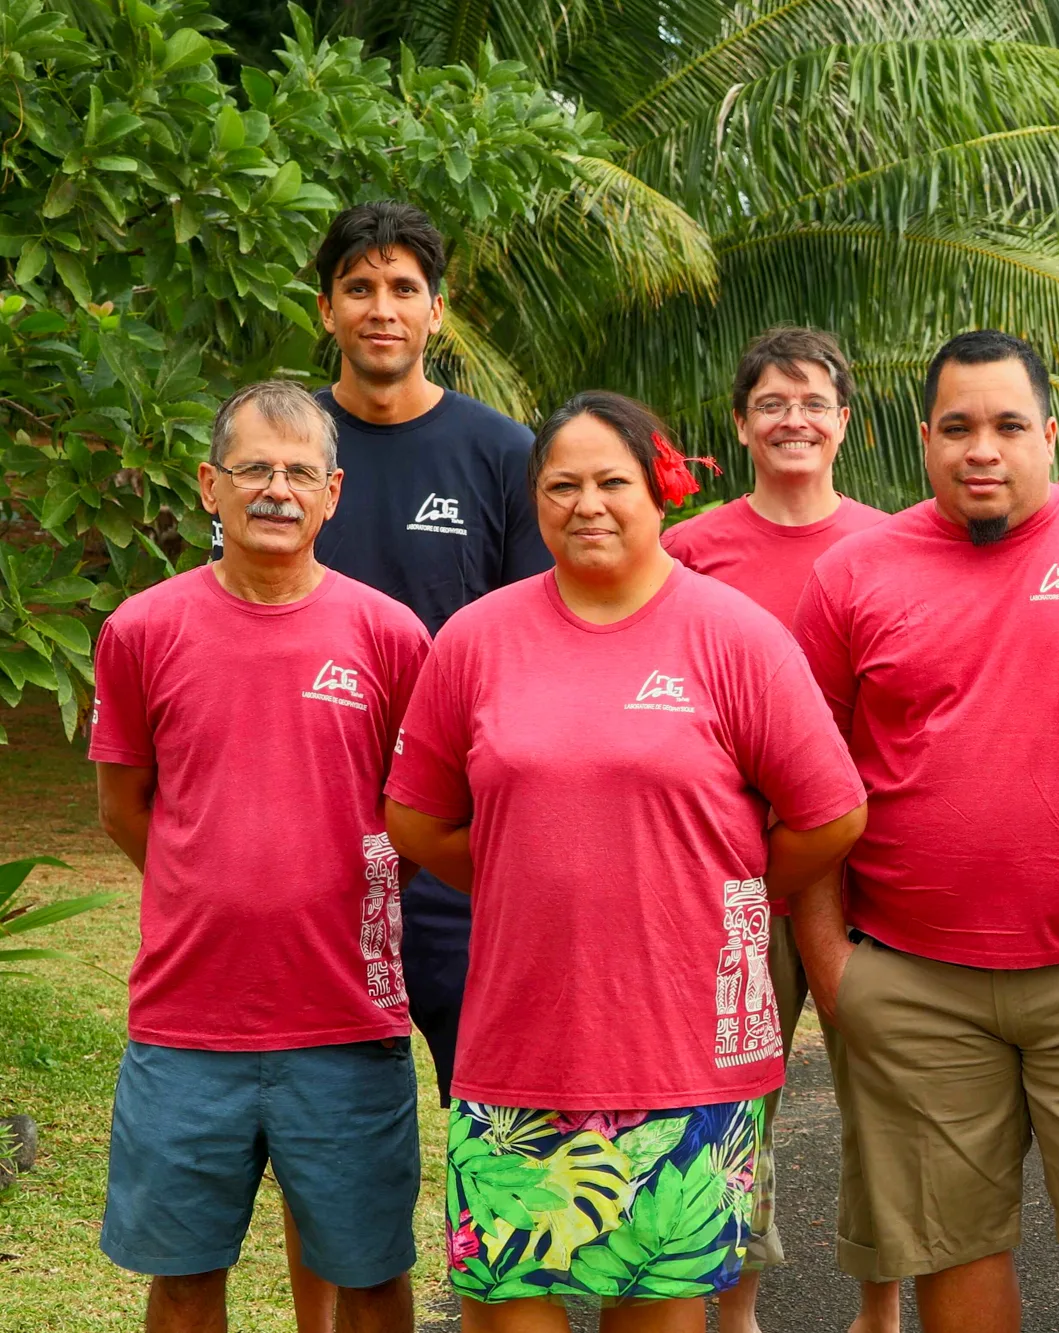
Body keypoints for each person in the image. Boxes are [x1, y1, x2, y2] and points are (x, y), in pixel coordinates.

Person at [383, 391, 868, 1333]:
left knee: (660, 1311)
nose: (587, 504)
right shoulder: (477, 639)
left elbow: (832, 813)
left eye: (612, 481)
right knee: (504, 1308)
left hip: (681, 1053)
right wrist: (520, 874)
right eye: (561, 486)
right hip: (518, 1052)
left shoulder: (735, 636)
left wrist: (721, 885)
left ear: (660, 491)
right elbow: (416, 815)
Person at [790, 331, 1059, 1333]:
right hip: (914, 979)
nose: (981, 448)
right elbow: (806, 774)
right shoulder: (851, 575)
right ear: (924, 441)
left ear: (1049, 436)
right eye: (957, 427)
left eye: (1008, 425)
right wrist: (829, 958)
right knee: (952, 1241)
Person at [91, 381, 432, 1333]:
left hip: (348, 1019)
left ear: (332, 493)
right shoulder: (142, 629)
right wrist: (212, 883)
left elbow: (417, 816)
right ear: (211, 485)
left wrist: (342, 889)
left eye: (299, 473)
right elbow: (124, 809)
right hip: (187, 1023)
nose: (276, 490)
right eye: (254, 469)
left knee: (370, 1273)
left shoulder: (391, 635)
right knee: (184, 1275)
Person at [276, 199, 553, 1333]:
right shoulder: (289, 453)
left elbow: (537, 644)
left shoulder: (500, 453)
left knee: (499, 1120)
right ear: (327, 308)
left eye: (403, 289)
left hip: (456, 853)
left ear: (438, 312)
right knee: (318, 1139)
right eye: (360, 287)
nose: (381, 309)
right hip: (314, 854)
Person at [661, 326, 896, 1333]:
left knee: (882, 1098)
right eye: (771, 403)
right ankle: (737, 1311)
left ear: (844, 422)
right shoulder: (687, 553)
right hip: (729, 874)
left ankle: (879, 1311)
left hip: (870, 871)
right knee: (731, 1096)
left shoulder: (894, 544)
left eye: (812, 402)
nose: (792, 420)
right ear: (740, 424)